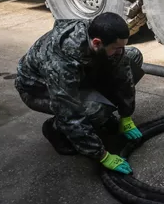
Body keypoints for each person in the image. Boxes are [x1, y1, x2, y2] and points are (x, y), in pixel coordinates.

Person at [14, 12, 145, 174]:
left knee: (133, 58)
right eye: (116, 48)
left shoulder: (98, 34)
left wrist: (126, 114)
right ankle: (55, 129)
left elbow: (122, 70)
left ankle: (100, 116)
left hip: (78, 74)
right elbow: (69, 111)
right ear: (97, 43)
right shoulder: (60, 61)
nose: (121, 51)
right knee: (97, 109)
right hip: (38, 90)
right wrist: (102, 155)